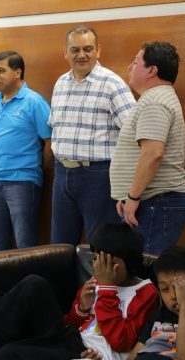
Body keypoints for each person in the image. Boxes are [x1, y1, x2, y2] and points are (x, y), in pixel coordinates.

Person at [0, 223, 160, 360]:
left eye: (103, 262)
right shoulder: (97, 282)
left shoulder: (146, 293)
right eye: (94, 260)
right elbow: (70, 323)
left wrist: (108, 290)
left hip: (88, 353)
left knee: (9, 353)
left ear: (122, 264)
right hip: (71, 338)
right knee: (34, 284)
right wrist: (82, 309)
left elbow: (122, 341)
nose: (96, 268)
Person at [50, 25, 136, 245]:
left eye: (88, 49)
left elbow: (135, 135)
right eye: (75, 49)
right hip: (62, 174)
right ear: (65, 53)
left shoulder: (112, 84)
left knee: (99, 247)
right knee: (59, 246)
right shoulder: (60, 83)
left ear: (98, 50)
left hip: (99, 177)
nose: (81, 55)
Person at [110, 42, 185, 256]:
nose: (130, 67)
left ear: (152, 70)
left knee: (146, 269)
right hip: (152, 201)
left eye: (136, 62)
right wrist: (127, 195)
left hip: (156, 202)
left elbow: (153, 153)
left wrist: (133, 197)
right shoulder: (155, 98)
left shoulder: (155, 101)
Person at [0, 51, 51, 251]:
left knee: (25, 246)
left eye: (1, 71)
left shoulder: (34, 102)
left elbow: (49, 142)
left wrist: (35, 169)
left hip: (23, 182)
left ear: (17, 72)